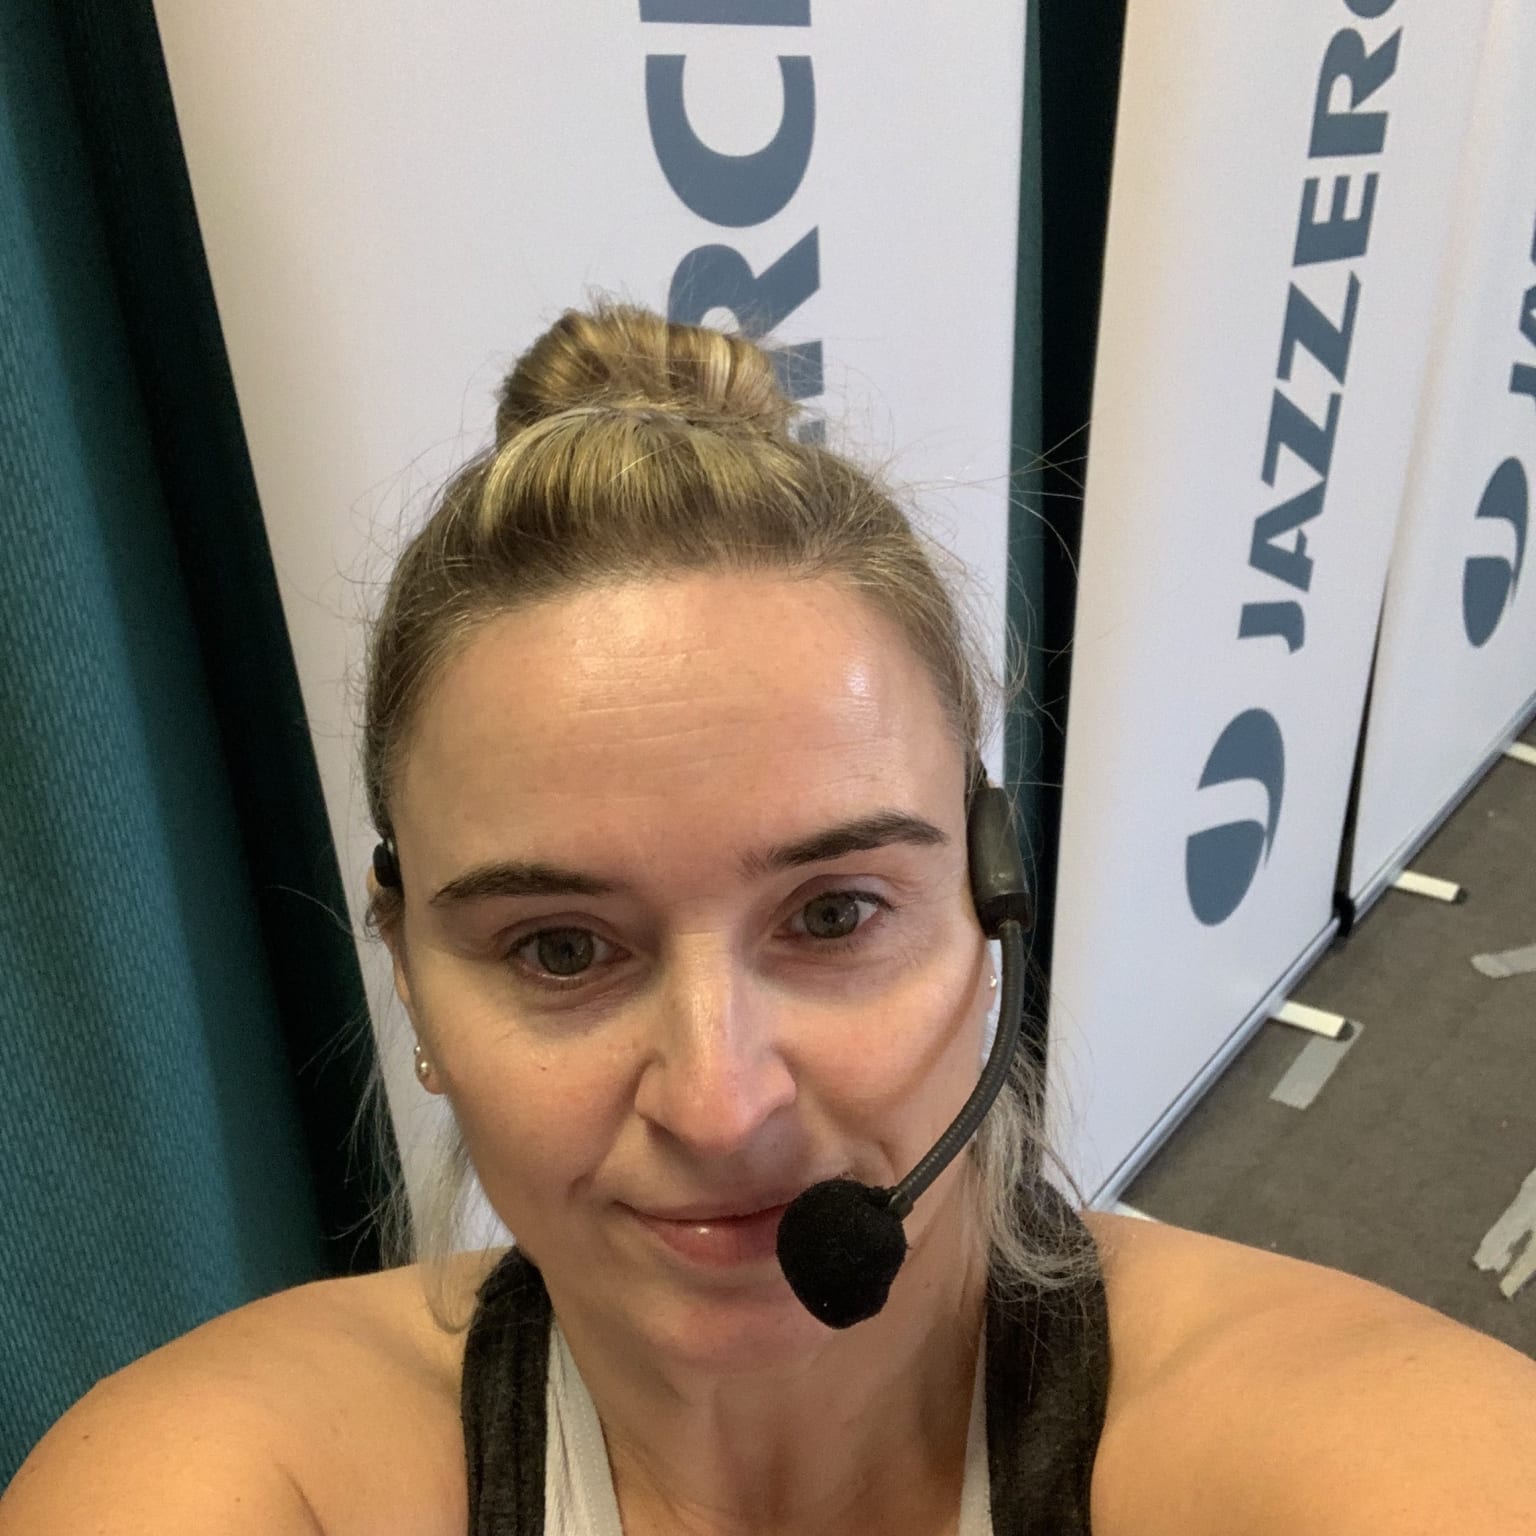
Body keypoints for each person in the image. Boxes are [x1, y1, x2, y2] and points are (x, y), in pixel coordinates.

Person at [3, 304, 1533, 1535]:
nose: (721, 1104)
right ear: (405, 971)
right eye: (560, 948)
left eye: (834, 913)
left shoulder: (1351, 1451)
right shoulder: (245, 1476)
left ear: (990, 904)